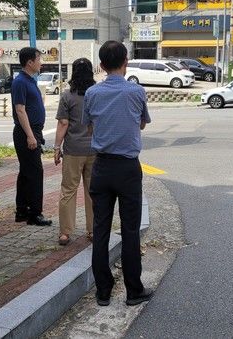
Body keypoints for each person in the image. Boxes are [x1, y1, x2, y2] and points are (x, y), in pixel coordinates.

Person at [82, 41, 153, 307]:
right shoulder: (136, 91)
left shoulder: (91, 93)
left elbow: (89, 127)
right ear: (126, 61)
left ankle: (103, 291)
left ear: (101, 65)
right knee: (130, 230)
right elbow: (142, 123)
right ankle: (134, 290)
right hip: (127, 168)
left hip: (101, 167)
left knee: (100, 229)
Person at [54, 58, 96, 246]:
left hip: (73, 150)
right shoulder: (97, 94)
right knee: (93, 192)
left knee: (68, 190)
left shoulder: (67, 96)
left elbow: (63, 123)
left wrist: (56, 147)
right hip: (95, 149)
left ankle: (65, 233)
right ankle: (94, 230)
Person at [11, 47, 52, 226]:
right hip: (27, 132)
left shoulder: (29, 80)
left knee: (26, 173)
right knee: (35, 172)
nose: (41, 62)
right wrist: (30, 135)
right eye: (39, 59)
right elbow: (20, 110)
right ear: (29, 62)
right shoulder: (20, 82)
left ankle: (22, 210)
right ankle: (35, 213)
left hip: (33, 131)